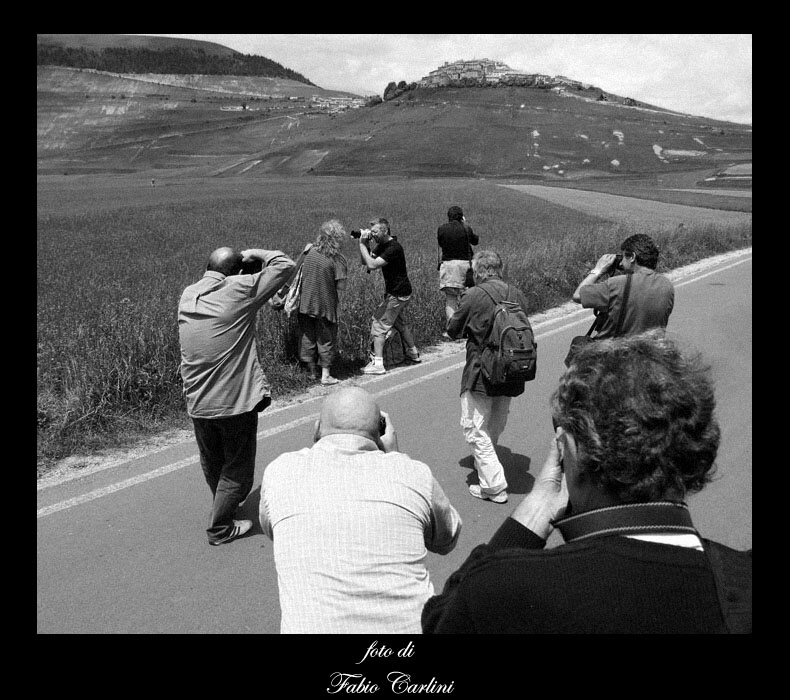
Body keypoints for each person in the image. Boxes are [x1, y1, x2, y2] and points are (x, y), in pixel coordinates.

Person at [422, 330, 752, 634]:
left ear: (566, 451)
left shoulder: (502, 591)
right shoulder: (741, 582)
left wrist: (536, 511)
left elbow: (439, 622)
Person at [260, 387, 462, 634]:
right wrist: (396, 457)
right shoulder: (413, 473)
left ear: (316, 429)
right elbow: (448, 538)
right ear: (382, 433)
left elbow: (274, 530)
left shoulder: (278, 473)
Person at [178, 246, 295, 546]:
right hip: (233, 402)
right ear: (234, 273)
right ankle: (220, 527)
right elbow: (285, 265)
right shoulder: (238, 290)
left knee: (213, 461)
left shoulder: (188, 295)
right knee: (239, 470)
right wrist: (254, 253)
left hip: (198, 401)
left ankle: (224, 503)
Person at [446, 249, 531, 505]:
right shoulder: (517, 294)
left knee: (473, 427)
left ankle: (493, 486)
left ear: (479, 271)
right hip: (512, 368)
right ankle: (487, 462)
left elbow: (453, 330)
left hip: (482, 370)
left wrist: (452, 307)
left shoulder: (474, 295)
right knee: (495, 421)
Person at [572, 233, 674, 338]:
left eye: (624, 256)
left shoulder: (617, 285)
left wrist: (598, 271)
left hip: (616, 351)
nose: (620, 264)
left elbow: (578, 295)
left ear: (632, 257)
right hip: (651, 350)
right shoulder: (666, 286)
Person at [358, 217, 421, 374]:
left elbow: (372, 265)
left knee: (378, 325)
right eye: (371, 232)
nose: (373, 234)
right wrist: (365, 243)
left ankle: (378, 364)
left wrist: (361, 245)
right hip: (401, 292)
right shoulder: (383, 245)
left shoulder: (393, 248)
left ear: (384, 231)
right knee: (399, 323)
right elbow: (365, 261)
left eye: (375, 232)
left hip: (397, 293)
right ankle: (413, 353)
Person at [297, 219, 349, 386]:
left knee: (307, 336)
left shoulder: (310, 252)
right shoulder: (337, 260)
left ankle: (310, 371)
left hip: (306, 303)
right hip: (325, 306)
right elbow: (341, 286)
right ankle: (325, 375)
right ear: (337, 239)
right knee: (326, 338)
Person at [437, 205, 479, 333]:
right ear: (461, 217)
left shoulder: (442, 229)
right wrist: (465, 224)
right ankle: (468, 328)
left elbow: (440, 243)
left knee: (450, 300)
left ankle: (452, 330)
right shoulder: (465, 228)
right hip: (465, 266)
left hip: (448, 265)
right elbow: (475, 241)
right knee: (467, 298)